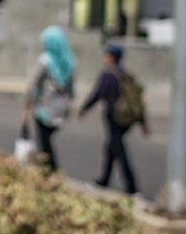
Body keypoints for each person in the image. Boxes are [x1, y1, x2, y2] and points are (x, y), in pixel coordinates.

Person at [79, 44, 149, 194]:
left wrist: (84, 108)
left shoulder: (108, 74)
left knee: (119, 149)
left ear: (111, 57)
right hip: (127, 118)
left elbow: (98, 94)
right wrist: (143, 122)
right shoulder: (127, 74)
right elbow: (136, 99)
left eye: (106, 54)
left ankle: (131, 187)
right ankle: (104, 179)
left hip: (114, 116)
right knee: (111, 147)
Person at [21, 26, 74, 171]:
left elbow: (33, 86)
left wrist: (26, 109)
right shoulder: (68, 62)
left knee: (44, 141)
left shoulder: (45, 60)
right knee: (48, 139)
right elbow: (71, 90)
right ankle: (50, 167)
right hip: (60, 109)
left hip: (44, 107)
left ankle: (50, 169)